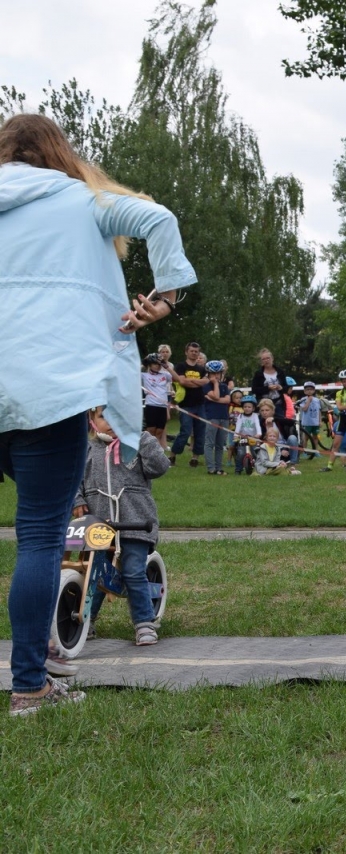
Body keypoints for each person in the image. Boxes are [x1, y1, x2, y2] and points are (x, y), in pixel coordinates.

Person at [1, 113, 194, 715]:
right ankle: (30, 685)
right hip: (49, 394)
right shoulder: (84, 200)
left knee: (40, 536)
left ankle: (40, 651)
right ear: (59, 152)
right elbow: (159, 219)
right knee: (39, 538)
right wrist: (164, 297)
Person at [72, 408, 170, 645]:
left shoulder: (136, 443)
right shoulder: (87, 449)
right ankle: (86, 621)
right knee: (94, 573)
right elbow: (74, 480)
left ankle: (144, 623)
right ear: (92, 420)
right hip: (99, 526)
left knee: (133, 571)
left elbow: (159, 467)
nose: (111, 422)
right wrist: (78, 500)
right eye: (103, 416)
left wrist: (142, 438)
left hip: (135, 523)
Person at [170, 340, 209, 467]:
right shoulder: (181, 366)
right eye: (192, 351)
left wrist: (190, 381)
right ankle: (172, 456)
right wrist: (197, 382)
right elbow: (182, 382)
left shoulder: (202, 369)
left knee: (200, 432)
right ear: (186, 352)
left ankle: (195, 458)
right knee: (185, 431)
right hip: (186, 404)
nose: (194, 353)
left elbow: (205, 382)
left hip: (200, 404)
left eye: (196, 352)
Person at [320, 370, 346, 472]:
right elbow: (339, 407)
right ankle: (329, 466)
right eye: (344, 381)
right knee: (336, 443)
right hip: (343, 419)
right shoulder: (339, 393)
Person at [202, 359, 232, 475]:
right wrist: (215, 384)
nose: (216, 376)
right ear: (208, 374)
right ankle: (211, 468)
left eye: (218, 373)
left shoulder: (224, 386)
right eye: (213, 373)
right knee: (210, 443)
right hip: (212, 417)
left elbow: (227, 400)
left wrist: (215, 399)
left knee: (220, 444)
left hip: (224, 417)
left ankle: (219, 467)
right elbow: (216, 395)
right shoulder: (206, 386)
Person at [141, 353, 171, 444]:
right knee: (151, 431)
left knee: (159, 432)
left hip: (162, 406)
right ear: (150, 365)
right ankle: (147, 450)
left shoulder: (165, 375)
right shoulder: (144, 375)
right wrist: (144, 362)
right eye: (154, 364)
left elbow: (176, 377)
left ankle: (156, 450)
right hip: (151, 405)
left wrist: (165, 365)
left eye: (159, 364)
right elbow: (132, 372)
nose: (157, 366)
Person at [233, 398, 263, 475]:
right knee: (240, 453)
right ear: (243, 408)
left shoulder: (255, 416)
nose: (247, 408)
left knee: (255, 453)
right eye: (245, 407)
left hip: (253, 437)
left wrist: (258, 433)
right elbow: (238, 426)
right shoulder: (240, 416)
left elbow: (257, 425)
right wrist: (236, 435)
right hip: (243, 437)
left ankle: (258, 468)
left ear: (253, 408)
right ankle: (238, 469)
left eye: (249, 407)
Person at [296, 381, 324, 460]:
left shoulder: (317, 400)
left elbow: (319, 411)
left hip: (315, 422)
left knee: (315, 437)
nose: (309, 391)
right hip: (307, 422)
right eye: (307, 389)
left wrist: (320, 421)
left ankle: (315, 451)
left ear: (314, 390)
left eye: (311, 389)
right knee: (306, 438)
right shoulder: (303, 399)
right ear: (304, 391)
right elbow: (304, 409)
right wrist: (308, 401)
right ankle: (304, 451)